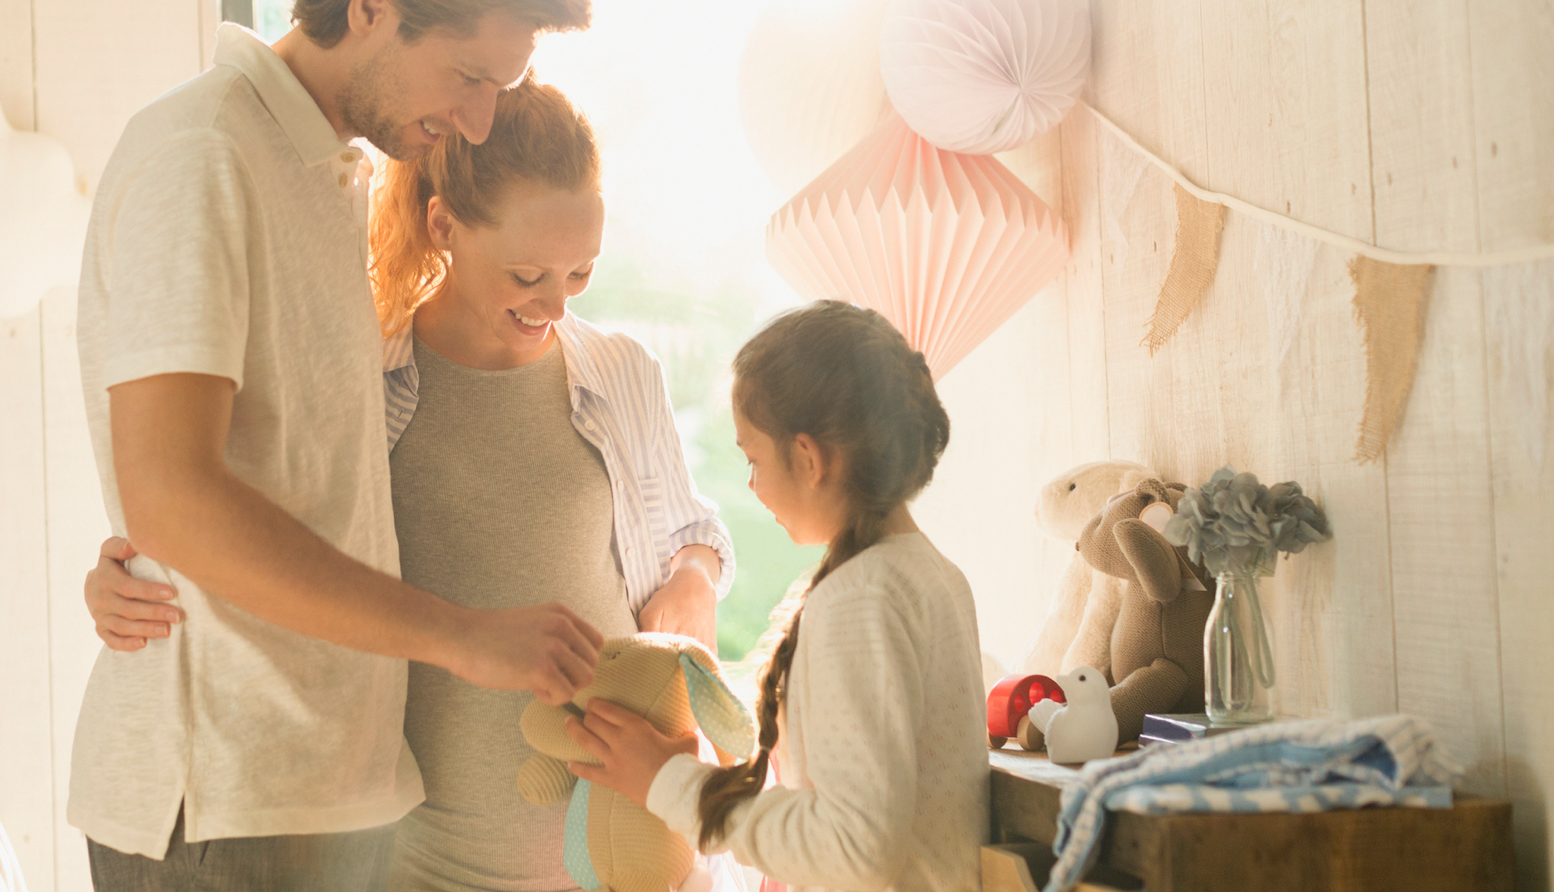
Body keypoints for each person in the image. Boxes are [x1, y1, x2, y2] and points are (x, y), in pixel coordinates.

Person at [86, 79, 736, 891]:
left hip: (624, 854)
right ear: (444, 227)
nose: (555, 303)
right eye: (528, 273)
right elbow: (266, 535)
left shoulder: (622, 372)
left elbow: (690, 534)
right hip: (414, 860)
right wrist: (139, 576)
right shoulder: (365, 374)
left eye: (580, 272)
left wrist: (693, 582)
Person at [564, 301, 988, 892]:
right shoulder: (930, 576)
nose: (750, 482)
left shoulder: (860, 601)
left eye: (753, 458)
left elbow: (854, 847)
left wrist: (670, 781)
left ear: (810, 458)